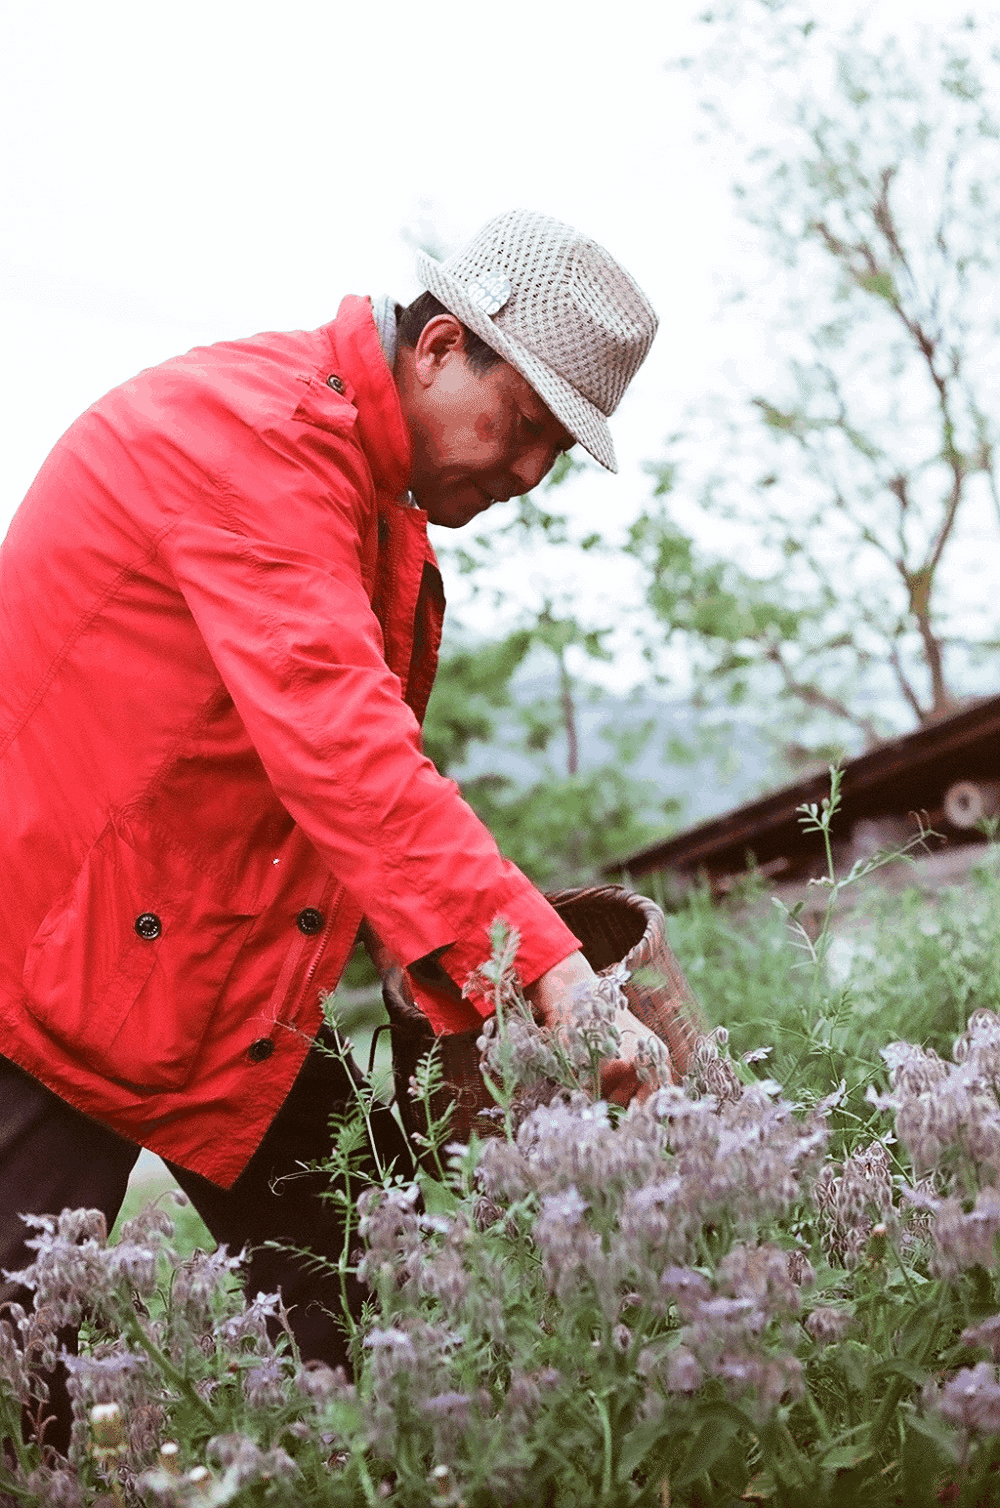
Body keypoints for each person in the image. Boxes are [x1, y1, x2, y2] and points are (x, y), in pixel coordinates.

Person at [0, 209, 660, 1418]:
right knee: (18, 1393)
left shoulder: (361, 487)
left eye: (554, 455)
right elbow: (347, 753)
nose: (522, 476)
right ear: (440, 345)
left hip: (210, 962)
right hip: (54, 968)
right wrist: (549, 973)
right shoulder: (253, 442)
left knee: (401, 1329)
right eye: (521, 428)